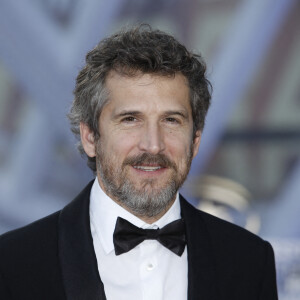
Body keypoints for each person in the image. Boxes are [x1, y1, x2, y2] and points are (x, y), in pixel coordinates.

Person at [0, 25, 277, 300]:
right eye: (130, 119)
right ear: (90, 137)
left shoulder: (250, 260)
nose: (153, 144)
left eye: (171, 121)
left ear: (195, 141)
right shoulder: (13, 264)